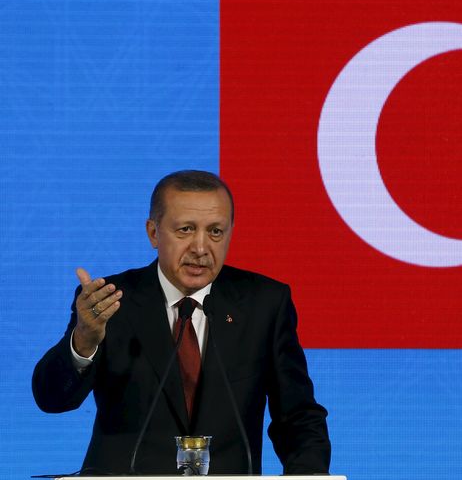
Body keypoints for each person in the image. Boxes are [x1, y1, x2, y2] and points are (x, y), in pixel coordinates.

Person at [32, 170, 331, 475]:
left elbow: (298, 418)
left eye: (215, 232)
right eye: (186, 229)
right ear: (153, 233)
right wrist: (84, 340)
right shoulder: (110, 301)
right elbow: (53, 399)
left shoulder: (264, 304)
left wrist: (307, 474)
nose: (200, 248)